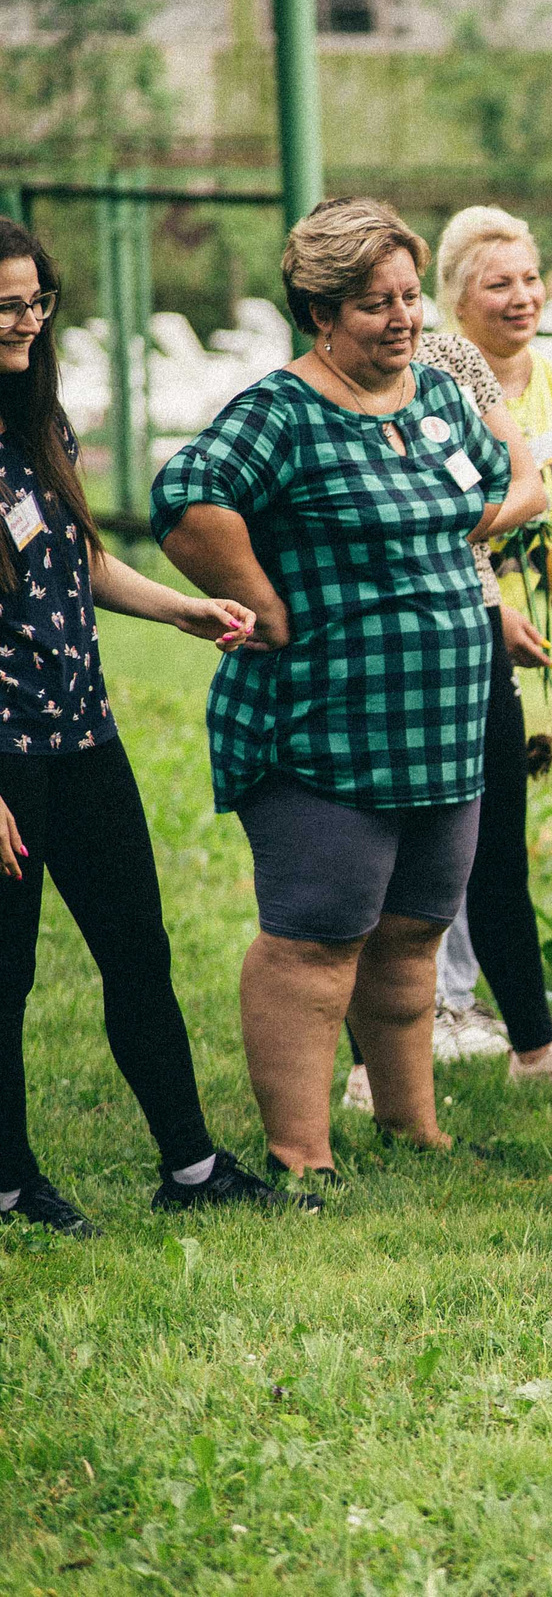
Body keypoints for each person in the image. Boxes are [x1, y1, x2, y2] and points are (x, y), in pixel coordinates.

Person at [153, 198, 545, 1184]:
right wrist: (255, 596)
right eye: (377, 304)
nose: (406, 318)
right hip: (326, 728)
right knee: (316, 942)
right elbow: (184, 500)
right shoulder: (281, 410)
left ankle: (413, 1127)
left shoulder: (437, 395)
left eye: (410, 297)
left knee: (414, 933)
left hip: (443, 725)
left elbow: (492, 485)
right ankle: (302, 1153)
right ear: (320, 312)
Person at [0, 219, 306, 1234]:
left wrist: (178, 608)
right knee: (8, 976)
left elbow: (72, 561)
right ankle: (10, 1186)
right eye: (8, 306)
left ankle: (190, 1166)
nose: (28, 322)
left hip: (82, 731)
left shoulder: (38, 425)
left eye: (38, 302)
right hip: (4, 756)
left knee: (137, 947)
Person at [361, 204, 552, 1100]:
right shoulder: (424, 371)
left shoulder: (491, 375)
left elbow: (543, 497)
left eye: (529, 277)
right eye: (496, 282)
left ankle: (534, 1042)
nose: (521, 297)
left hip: (482, 629)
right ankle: (375, 1063)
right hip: (418, 636)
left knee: (497, 850)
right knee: (395, 852)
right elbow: (440, 507)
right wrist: (492, 587)